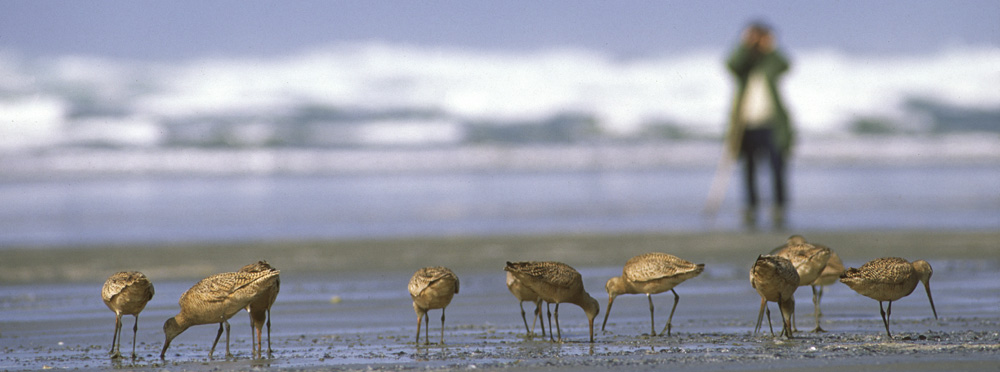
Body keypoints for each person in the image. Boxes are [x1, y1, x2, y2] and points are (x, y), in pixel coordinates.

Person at [725, 21, 793, 228]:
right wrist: (745, 45)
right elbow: (731, 64)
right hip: (747, 125)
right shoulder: (744, 67)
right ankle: (751, 208)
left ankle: (779, 208)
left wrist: (770, 47)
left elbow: (785, 65)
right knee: (749, 168)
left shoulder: (769, 63)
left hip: (772, 124)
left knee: (777, 166)